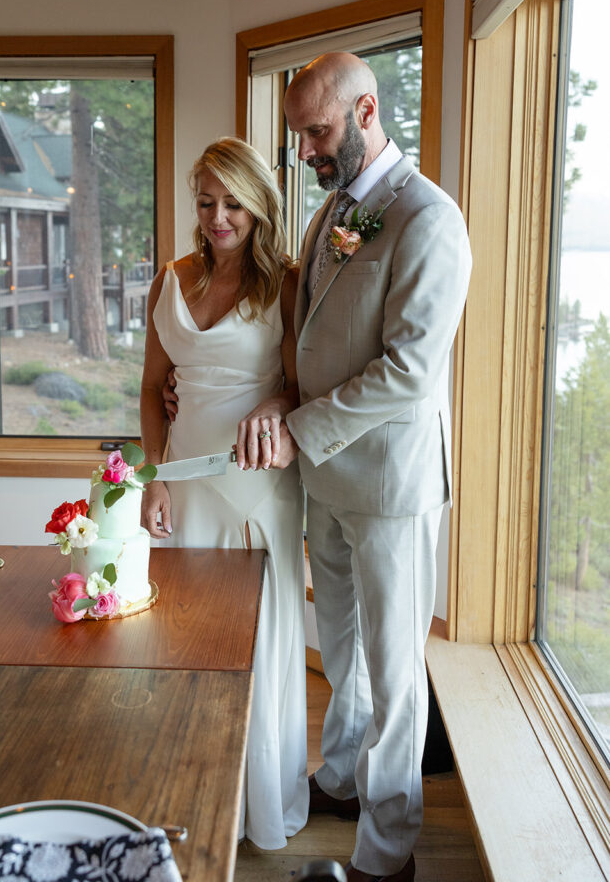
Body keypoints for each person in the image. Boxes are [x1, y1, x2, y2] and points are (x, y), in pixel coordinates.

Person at [234, 52, 472, 882]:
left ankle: (387, 852)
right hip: (325, 481)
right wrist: (273, 401)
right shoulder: (336, 208)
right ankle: (340, 777)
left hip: (388, 489)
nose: (304, 150)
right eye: (299, 133)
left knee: (396, 671)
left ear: (366, 112)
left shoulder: (429, 219)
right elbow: (312, 331)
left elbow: (408, 372)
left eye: (317, 130)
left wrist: (298, 428)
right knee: (339, 651)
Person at [139, 136, 309, 850]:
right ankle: (191, 795)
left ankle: (259, 805)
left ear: (258, 205)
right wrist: (151, 474)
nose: (217, 217)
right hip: (185, 486)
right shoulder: (168, 280)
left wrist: (275, 404)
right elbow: (152, 388)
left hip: (257, 485)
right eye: (206, 202)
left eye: (233, 202)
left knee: (258, 643)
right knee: (181, 644)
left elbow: (304, 386)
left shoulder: (288, 283)